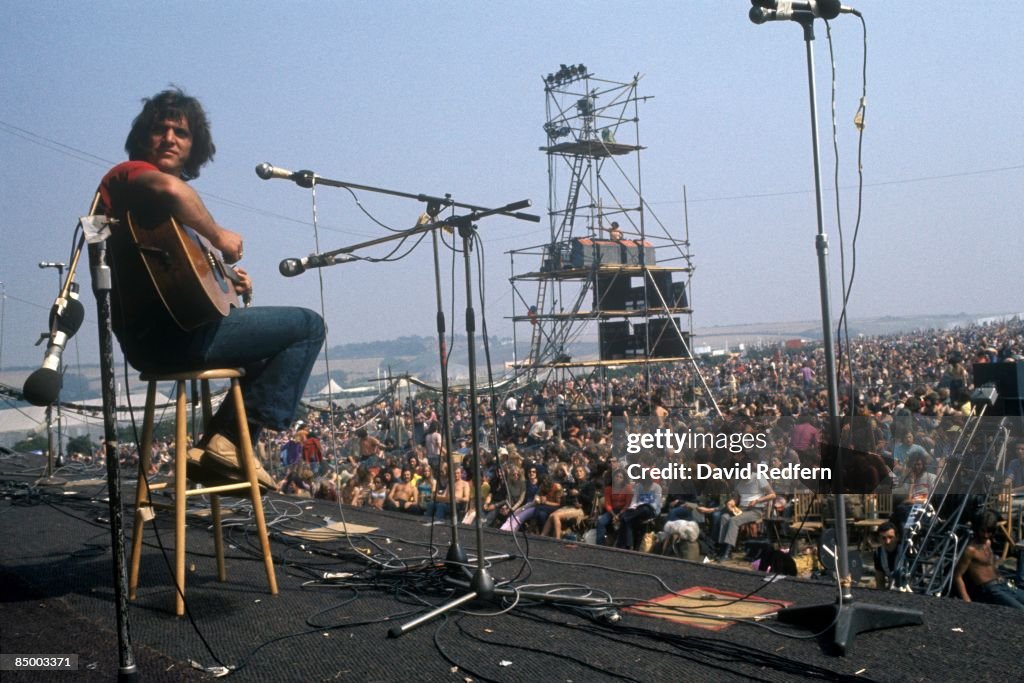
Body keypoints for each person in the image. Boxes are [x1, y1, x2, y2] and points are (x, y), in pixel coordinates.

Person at [96, 88, 324, 490]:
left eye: (180, 133)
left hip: (171, 335)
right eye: (160, 129)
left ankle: (222, 445)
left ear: (193, 146)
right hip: (171, 337)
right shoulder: (127, 175)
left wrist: (230, 281)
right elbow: (174, 190)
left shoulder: (166, 223)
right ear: (142, 137)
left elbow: (185, 281)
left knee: (267, 348)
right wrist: (219, 237)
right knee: (308, 326)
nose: (169, 138)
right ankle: (233, 440)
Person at [953, 511, 1024, 610]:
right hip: (991, 590)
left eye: (989, 532)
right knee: (1020, 611)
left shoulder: (988, 542)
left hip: (1004, 584)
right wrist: (967, 602)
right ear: (977, 529)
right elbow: (957, 576)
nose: (985, 535)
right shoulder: (970, 550)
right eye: (983, 531)